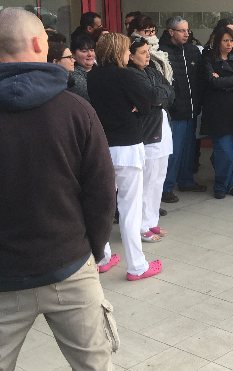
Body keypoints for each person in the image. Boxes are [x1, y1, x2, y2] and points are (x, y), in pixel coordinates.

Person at [0, 8, 118, 367]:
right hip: (70, 265)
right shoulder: (77, 110)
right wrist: (93, 250)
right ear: (39, 43)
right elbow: (101, 191)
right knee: (95, 365)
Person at [88, 33, 162, 278]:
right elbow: (147, 104)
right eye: (127, 49)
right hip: (128, 146)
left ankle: (103, 257)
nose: (129, 53)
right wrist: (133, 106)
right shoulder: (126, 74)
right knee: (130, 208)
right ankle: (137, 265)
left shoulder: (93, 75)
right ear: (118, 50)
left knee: (104, 206)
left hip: (103, 146)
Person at [128, 37, 175, 243]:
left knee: (158, 179)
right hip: (148, 132)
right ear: (131, 56)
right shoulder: (131, 74)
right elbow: (150, 96)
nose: (148, 56)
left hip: (162, 129)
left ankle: (151, 220)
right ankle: (140, 226)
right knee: (146, 181)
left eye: (148, 51)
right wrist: (157, 97)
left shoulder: (152, 70)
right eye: (142, 52)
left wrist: (158, 97)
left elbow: (170, 92)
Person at [158, 16, 206, 203]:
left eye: (188, 30)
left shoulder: (193, 50)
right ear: (171, 32)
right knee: (173, 151)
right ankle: (166, 188)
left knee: (188, 149)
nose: (187, 34)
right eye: (182, 31)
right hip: (175, 112)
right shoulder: (162, 52)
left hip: (192, 109)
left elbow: (200, 78)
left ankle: (186, 181)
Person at [202, 27, 233, 199]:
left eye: (231, 40)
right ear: (218, 41)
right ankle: (220, 185)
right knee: (225, 152)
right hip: (220, 112)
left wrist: (226, 84)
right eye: (225, 40)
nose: (229, 44)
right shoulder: (209, 59)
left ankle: (232, 185)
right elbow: (212, 82)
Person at [128, 15, 174, 84]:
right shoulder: (130, 47)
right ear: (136, 31)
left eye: (153, 30)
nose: (151, 34)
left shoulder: (158, 49)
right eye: (147, 31)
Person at [66, 34, 95, 103]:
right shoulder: (74, 77)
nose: (90, 54)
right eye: (84, 51)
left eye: (92, 50)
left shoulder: (100, 70)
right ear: (73, 54)